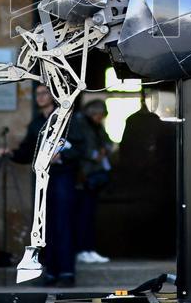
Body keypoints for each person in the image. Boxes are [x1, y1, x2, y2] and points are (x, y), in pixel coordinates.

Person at [5, 84, 78, 286]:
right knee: (45, 225)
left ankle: (66, 273)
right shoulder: (37, 123)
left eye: (44, 93)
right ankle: (51, 271)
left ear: (53, 96)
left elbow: (81, 148)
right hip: (42, 178)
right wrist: (10, 154)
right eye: (37, 94)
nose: (40, 97)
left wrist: (62, 156)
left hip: (62, 177)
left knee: (63, 224)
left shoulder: (69, 119)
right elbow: (28, 149)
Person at [69, 100, 112, 265]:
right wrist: (94, 155)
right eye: (98, 115)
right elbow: (81, 147)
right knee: (82, 215)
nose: (100, 119)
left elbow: (107, 141)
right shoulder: (80, 124)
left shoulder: (97, 127)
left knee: (89, 214)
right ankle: (82, 250)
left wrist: (105, 150)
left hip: (94, 175)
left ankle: (88, 249)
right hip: (83, 176)